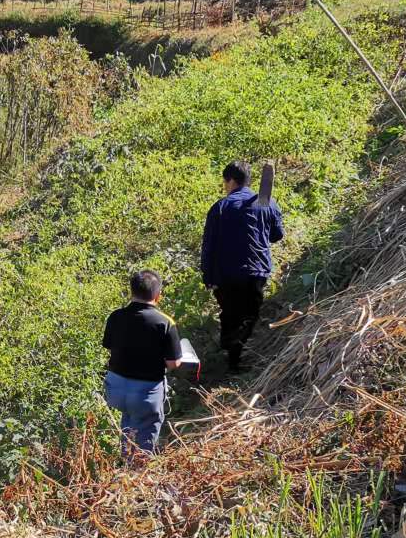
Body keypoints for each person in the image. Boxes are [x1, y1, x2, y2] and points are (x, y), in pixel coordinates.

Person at [200, 162, 284, 373]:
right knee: (249, 314)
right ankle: (234, 355)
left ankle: (230, 354)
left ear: (230, 181)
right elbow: (277, 235)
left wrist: (208, 276)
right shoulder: (266, 203)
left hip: (225, 274)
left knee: (230, 312)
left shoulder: (220, 207)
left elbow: (208, 245)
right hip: (255, 270)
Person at [102, 269, 185, 457]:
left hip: (115, 388)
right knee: (145, 436)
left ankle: (126, 460)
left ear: (132, 291)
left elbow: (110, 346)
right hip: (145, 393)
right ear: (158, 295)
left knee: (129, 421)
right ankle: (137, 475)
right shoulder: (165, 322)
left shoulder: (116, 316)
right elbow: (173, 363)